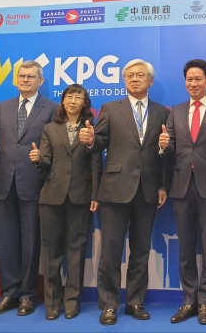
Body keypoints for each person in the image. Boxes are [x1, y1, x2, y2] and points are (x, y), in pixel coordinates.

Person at [78, 59, 170, 326]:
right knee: (110, 250)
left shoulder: (162, 113)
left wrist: (163, 184)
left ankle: (135, 302)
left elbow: (165, 155)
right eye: (129, 75)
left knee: (141, 250)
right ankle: (109, 305)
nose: (134, 79)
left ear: (150, 81)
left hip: (148, 190)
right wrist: (91, 140)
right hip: (116, 189)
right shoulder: (110, 108)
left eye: (140, 75)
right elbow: (100, 142)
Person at [159, 59, 206, 325]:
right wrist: (164, 145)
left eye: (198, 79)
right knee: (186, 246)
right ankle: (188, 300)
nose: (193, 84)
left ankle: (205, 302)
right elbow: (169, 151)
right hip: (181, 186)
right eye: (189, 80)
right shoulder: (176, 111)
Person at [0, 61, 58, 316]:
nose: (25, 80)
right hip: (3, 184)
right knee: (6, 242)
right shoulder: (1, 108)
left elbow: (56, 146)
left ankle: (27, 295)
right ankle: (9, 294)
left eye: (31, 76)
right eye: (21, 76)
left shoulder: (52, 109)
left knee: (31, 241)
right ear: (16, 80)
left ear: (41, 81)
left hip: (35, 183)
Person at [28, 84, 102, 320]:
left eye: (78, 97)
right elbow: (46, 160)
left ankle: (72, 302)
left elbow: (95, 163)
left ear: (84, 102)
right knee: (51, 252)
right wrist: (38, 159)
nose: (72, 101)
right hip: (52, 196)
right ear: (62, 101)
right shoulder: (50, 128)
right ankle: (52, 303)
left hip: (81, 196)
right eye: (68, 96)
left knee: (76, 251)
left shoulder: (91, 128)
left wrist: (95, 194)